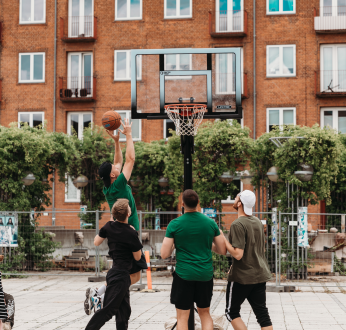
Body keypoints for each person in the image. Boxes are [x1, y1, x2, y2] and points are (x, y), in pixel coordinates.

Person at [86, 119, 145, 314]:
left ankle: (101, 293)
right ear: (113, 175)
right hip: (129, 232)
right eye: (114, 168)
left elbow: (119, 162)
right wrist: (128, 134)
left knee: (126, 273)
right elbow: (130, 160)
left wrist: (117, 142)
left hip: (120, 231)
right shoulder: (119, 184)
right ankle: (102, 294)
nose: (116, 166)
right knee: (133, 276)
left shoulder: (108, 187)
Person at [160, 189, 226, 330]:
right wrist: (207, 244)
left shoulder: (174, 224)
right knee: (205, 314)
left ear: (183, 204)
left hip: (184, 275)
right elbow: (222, 250)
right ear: (198, 203)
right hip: (205, 275)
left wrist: (175, 245)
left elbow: (164, 254)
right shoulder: (210, 223)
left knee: (182, 317)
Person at [85, 199, 143, 330]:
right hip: (122, 276)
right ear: (128, 213)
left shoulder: (108, 226)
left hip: (114, 273)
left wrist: (108, 229)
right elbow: (138, 257)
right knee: (109, 310)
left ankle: (98, 294)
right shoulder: (131, 232)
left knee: (124, 311)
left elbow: (96, 242)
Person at [222, 190, 273, 330]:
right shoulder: (257, 222)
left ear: (239, 204)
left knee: (231, 312)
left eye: (236, 197)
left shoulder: (237, 224)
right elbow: (259, 250)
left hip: (242, 277)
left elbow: (238, 254)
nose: (234, 199)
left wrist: (223, 239)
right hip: (260, 274)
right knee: (262, 314)